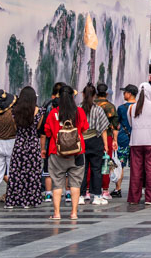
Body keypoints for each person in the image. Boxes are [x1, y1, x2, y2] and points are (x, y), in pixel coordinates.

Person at [44, 85, 88, 220]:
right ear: (72, 96)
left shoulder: (54, 113)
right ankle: (74, 213)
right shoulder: (79, 112)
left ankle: (57, 213)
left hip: (56, 152)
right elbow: (85, 129)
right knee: (75, 183)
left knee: (57, 183)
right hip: (77, 152)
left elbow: (47, 132)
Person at [4, 86, 42, 209]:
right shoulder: (40, 111)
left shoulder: (14, 111)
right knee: (32, 173)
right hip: (33, 144)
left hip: (19, 144)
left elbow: (15, 128)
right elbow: (37, 128)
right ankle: (29, 200)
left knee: (16, 172)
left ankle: (13, 200)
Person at [126, 83, 151, 205]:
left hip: (136, 141)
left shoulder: (132, 108)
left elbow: (130, 124)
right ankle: (150, 198)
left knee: (136, 170)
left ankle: (134, 198)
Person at [79, 84, 110, 205]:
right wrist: (106, 145)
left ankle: (81, 196)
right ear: (94, 95)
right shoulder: (98, 109)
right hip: (95, 141)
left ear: (83, 94)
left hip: (81, 141)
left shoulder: (78, 109)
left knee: (82, 170)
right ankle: (97, 196)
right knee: (96, 169)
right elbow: (103, 129)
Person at [93, 83, 118, 201]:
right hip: (106, 137)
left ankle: (87, 190)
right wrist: (115, 140)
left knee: (90, 163)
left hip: (91, 136)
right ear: (106, 93)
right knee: (105, 163)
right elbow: (115, 126)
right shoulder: (110, 107)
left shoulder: (90, 105)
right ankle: (105, 190)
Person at [112, 84, 136, 198]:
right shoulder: (139, 107)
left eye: (125, 92)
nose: (123, 94)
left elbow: (116, 125)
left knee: (120, 165)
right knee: (136, 166)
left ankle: (118, 189)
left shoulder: (121, 108)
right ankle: (136, 189)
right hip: (137, 139)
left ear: (129, 94)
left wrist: (114, 139)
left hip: (123, 139)